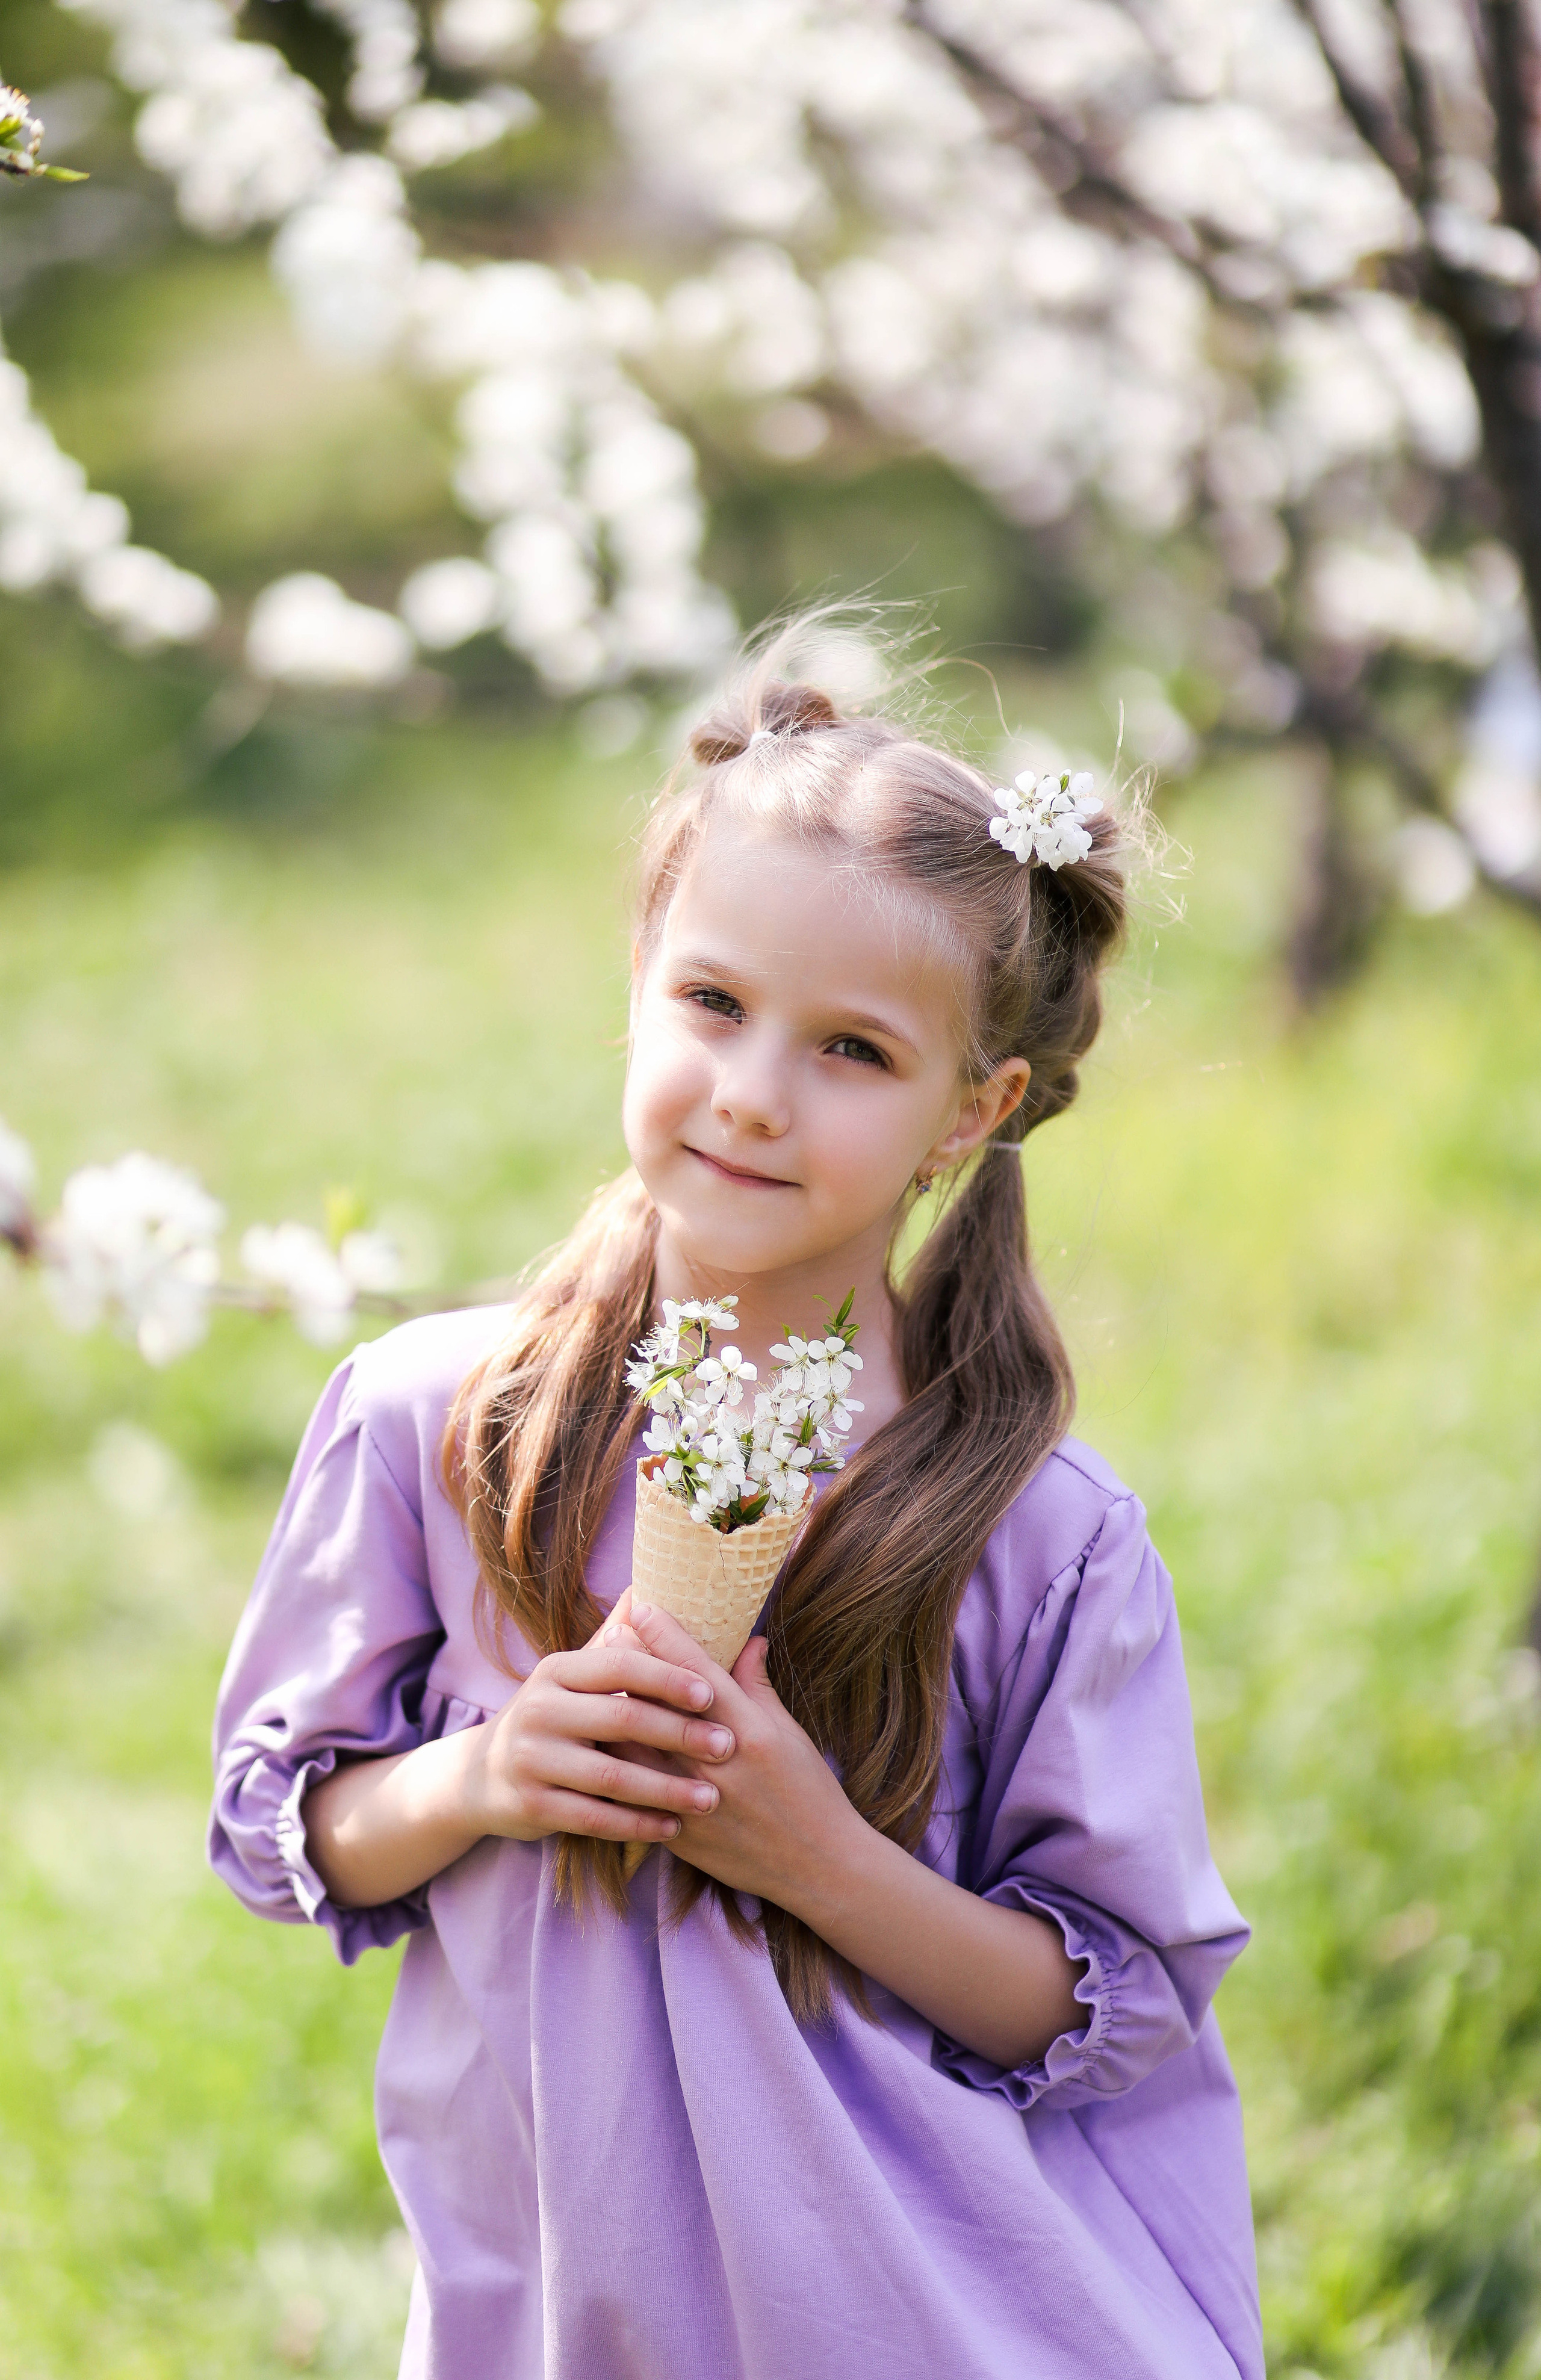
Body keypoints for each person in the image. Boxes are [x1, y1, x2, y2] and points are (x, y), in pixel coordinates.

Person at [210, 627, 1262, 2380]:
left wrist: (819, 1856)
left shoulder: (1037, 1535)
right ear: (640, 979)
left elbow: (1107, 2003)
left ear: (970, 1109)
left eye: (853, 1048)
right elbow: (294, 1832)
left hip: (934, 2316)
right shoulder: (433, 1421)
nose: (754, 1093)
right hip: (566, 2317)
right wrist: (483, 1773)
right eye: (712, 1003)